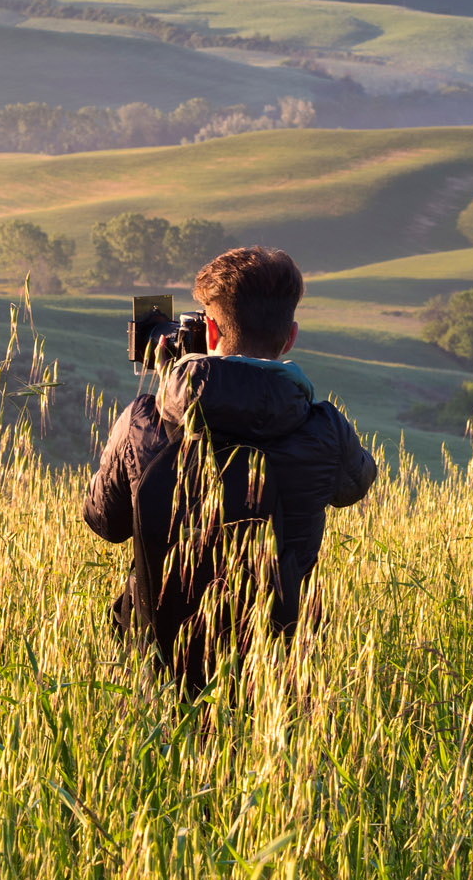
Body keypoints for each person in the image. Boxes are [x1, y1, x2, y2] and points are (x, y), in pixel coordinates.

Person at [83, 246, 377, 693]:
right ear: (291, 337)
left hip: (158, 666)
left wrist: (171, 384)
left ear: (211, 329)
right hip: (275, 666)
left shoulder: (144, 420)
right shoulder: (325, 429)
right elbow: (356, 484)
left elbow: (105, 521)